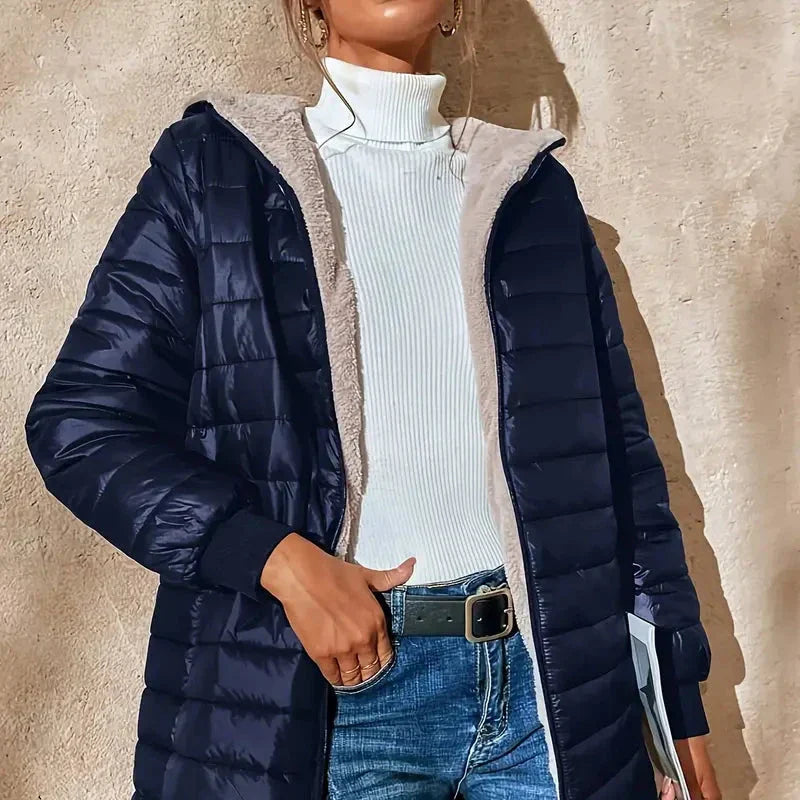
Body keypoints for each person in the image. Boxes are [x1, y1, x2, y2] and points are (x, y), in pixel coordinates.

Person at [24, 1, 721, 799]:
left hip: (551, 693)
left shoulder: (531, 192)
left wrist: (671, 696)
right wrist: (276, 560)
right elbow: (82, 424)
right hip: (336, 695)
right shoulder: (215, 172)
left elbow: (621, 466)